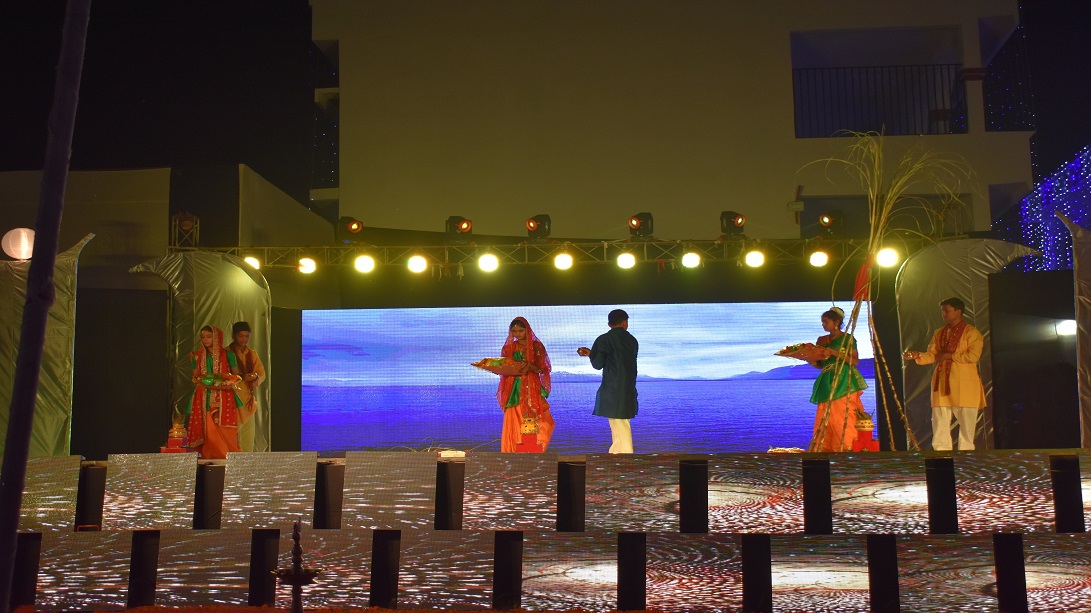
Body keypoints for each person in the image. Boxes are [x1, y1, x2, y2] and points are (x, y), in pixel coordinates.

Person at [903, 297, 987, 451]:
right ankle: (941, 454)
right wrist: (917, 355)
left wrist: (949, 356)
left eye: (947, 311)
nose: (943, 314)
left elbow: (973, 356)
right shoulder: (939, 333)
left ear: (958, 312)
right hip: (942, 382)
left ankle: (966, 455)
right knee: (940, 420)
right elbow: (933, 355)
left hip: (965, 384)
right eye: (943, 311)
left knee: (967, 423)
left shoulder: (972, 333)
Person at [577, 309, 639, 453]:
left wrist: (592, 354)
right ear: (624, 323)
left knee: (619, 423)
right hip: (628, 387)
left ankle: (625, 456)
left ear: (609, 324)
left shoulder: (604, 339)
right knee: (620, 423)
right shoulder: (632, 340)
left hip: (612, 387)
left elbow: (598, 364)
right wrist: (593, 353)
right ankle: (616, 454)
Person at [808, 306, 869, 452]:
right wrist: (811, 360)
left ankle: (846, 448)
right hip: (827, 380)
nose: (823, 324)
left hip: (843, 379)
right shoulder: (822, 340)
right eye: (822, 322)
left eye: (826, 321)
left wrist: (834, 352)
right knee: (825, 415)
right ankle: (824, 448)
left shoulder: (848, 339)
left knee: (842, 415)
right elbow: (821, 364)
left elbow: (854, 361)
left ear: (836, 322)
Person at [494, 317, 554, 452]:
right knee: (513, 418)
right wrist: (500, 369)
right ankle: (512, 450)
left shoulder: (536, 346)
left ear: (527, 330)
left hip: (531, 387)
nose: (517, 334)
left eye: (521, 331)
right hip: (514, 388)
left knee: (541, 419)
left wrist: (529, 366)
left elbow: (542, 369)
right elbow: (505, 367)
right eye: (514, 331)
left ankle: (535, 448)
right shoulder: (508, 348)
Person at [187, 325, 242, 459]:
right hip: (204, 397)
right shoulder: (196, 356)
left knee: (226, 429)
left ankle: (229, 458)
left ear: (217, 338)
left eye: (209, 337)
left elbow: (236, 375)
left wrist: (227, 382)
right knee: (209, 430)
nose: (205, 340)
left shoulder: (229, 355)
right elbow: (196, 377)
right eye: (203, 337)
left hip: (224, 396)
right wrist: (201, 379)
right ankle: (211, 456)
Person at [228, 321, 265, 452]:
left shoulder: (252, 353)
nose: (244, 339)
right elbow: (223, 376)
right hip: (231, 401)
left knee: (247, 439)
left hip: (248, 402)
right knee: (232, 439)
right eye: (240, 336)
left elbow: (261, 373)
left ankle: (246, 463)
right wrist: (242, 377)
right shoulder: (226, 353)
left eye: (247, 336)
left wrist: (255, 376)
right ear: (233, 335)